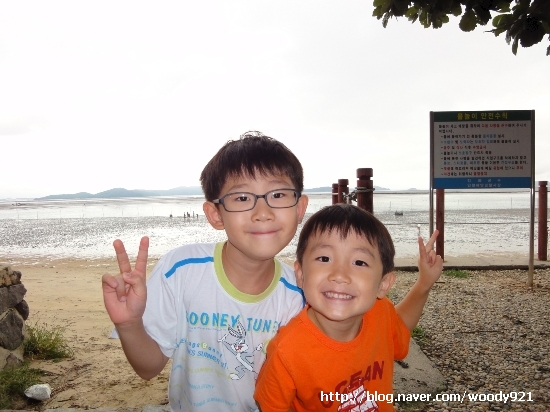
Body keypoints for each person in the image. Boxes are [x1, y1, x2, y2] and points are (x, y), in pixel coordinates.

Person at [102, 131, 440, 412]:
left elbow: (376, 331)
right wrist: (130, 324)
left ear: (300, 207)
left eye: (278, 194)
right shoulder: (182, 271)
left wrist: (422, 285)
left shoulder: (303, 293)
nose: (262, 212)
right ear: (215, 214)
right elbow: (148, 368)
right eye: (242, 197)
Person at [254, 204, 443, 412]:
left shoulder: (381, 312)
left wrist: (424, 283)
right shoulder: (287, 351)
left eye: (359, 262)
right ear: (300, 274)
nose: (340, 274)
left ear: (383, 284)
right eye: (324, 258)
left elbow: (400, 328)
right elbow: (271, 405)